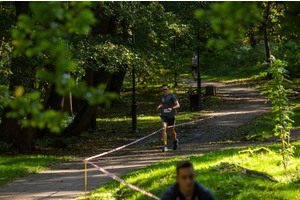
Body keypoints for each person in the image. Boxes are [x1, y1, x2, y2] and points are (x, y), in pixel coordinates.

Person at [156, 84, 180, 152]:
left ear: (168, 89)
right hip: (164, 114)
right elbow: (162, 103)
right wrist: (159, 106)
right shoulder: (161, 96)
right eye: (163, 89)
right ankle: (165, 146)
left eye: (165, 89)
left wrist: (172, 108)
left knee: (171, 130)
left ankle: (175, 140)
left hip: (171, 115)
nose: (164, 90)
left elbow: (178, 105)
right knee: (163, 127)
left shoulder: (172, 96)